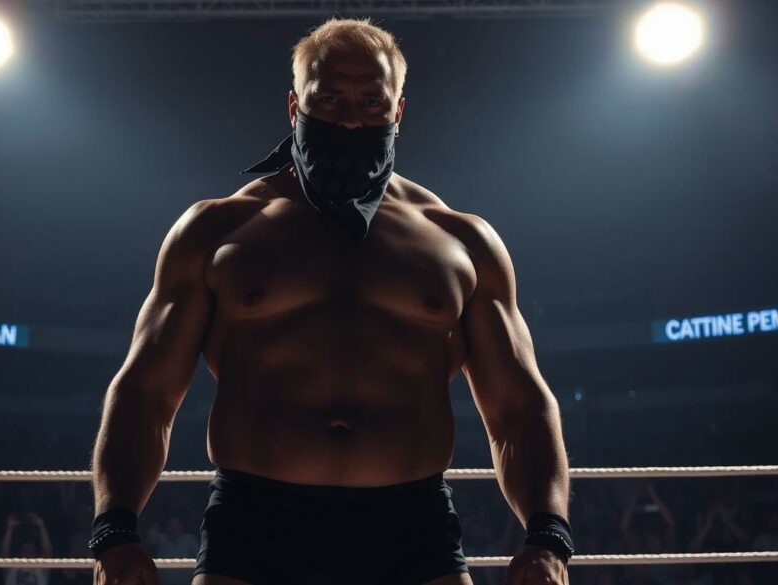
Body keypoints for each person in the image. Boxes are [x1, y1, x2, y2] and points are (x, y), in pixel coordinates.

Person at [90, 15, 572, 585]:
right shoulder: (217, 230)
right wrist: (114, 531)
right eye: (330, 100)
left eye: (371, 102)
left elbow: (518, 406)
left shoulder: (461, 242)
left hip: (412, 527)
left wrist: (547, 536)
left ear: (398, 110)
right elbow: (146, 392)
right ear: (295, 108)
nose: (350, 118)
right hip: (254, 524)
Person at [0, 513, 53, 585]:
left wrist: (41, 526)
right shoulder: (13, 569)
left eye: (31, 550)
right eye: (25, 550)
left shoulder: (40, 570)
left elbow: (47, 552)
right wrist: (10, 528)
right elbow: (4, 553)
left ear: (35, 553)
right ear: (20, 553)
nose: (28, 553)